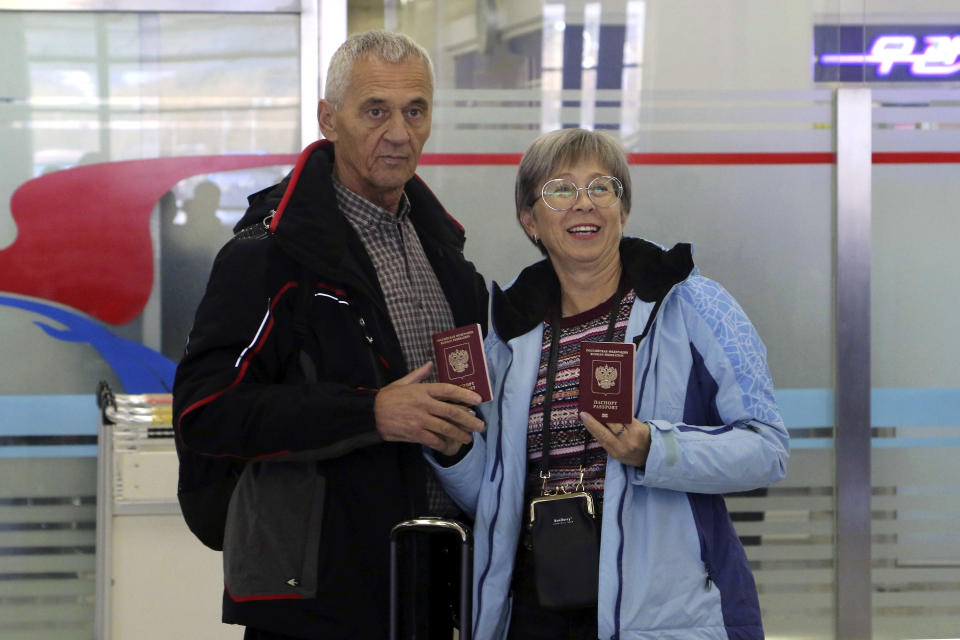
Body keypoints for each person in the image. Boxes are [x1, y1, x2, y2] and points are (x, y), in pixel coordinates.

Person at [172, 31, 488, 639]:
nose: (399, 132)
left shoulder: (445, 251)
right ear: (329, 118)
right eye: (376, 111)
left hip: (435, 589)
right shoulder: (268, 255)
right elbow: (206, 411)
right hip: (314, 604)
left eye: (415, 110)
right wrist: (372, 412)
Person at [428, 128, 789, 639]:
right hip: (539, 602)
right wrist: (453, 452)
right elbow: (492, 495)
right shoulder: (508, 334)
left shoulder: (692, 306)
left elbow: (767, 448)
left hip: (665, 613)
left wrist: (654, 449)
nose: (584, 205)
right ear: (530, 221)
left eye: (602, 188)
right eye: (560, 190)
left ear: (623, 209)